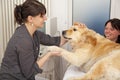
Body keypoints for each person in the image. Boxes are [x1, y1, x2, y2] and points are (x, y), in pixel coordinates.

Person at [0, 0, 67, 80]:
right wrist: (48, 54)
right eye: (42, 16)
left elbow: (57, 41)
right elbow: (30, 72)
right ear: (30, 18)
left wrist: (76, 32)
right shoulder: (23, 40)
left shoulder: (35, 34)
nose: (45, 18)